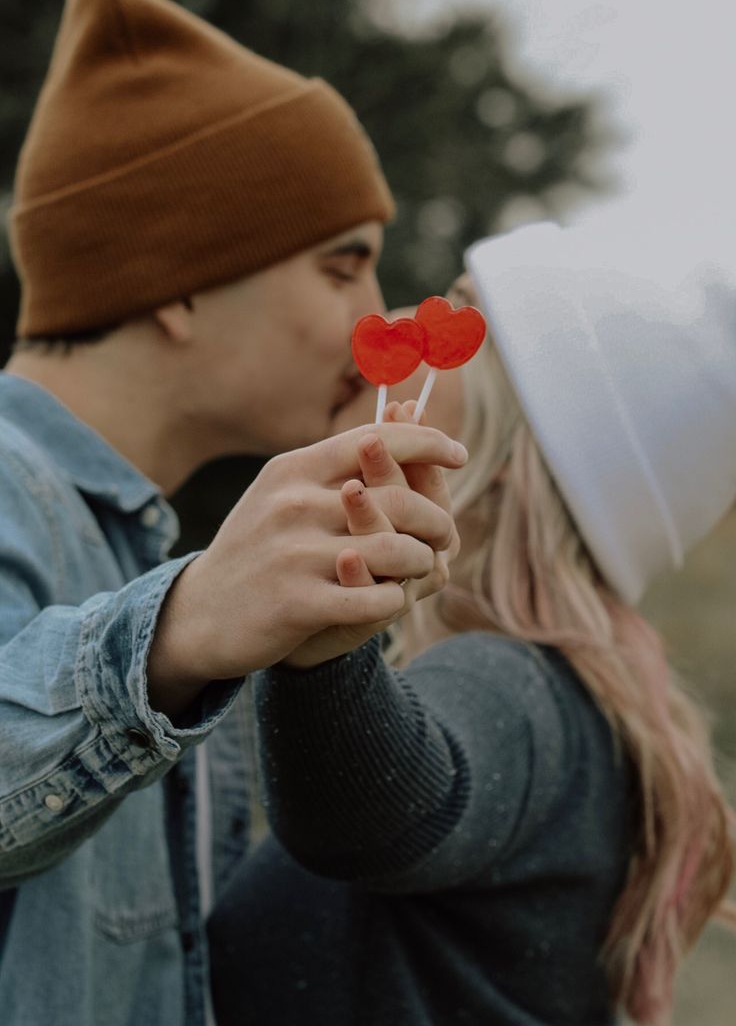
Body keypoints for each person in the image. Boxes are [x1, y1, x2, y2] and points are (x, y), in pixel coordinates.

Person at [0, 0, 467, 1026]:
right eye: (343, 265)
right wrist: (176, 632)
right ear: (180, 275)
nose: (376, 318)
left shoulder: (142, 551)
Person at [209, 218, 736, 1026]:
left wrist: (323, 658)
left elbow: (378, 812)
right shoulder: (575, 695)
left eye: (459, 307)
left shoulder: (516, 683)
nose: (416, 318)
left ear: (523, 436)